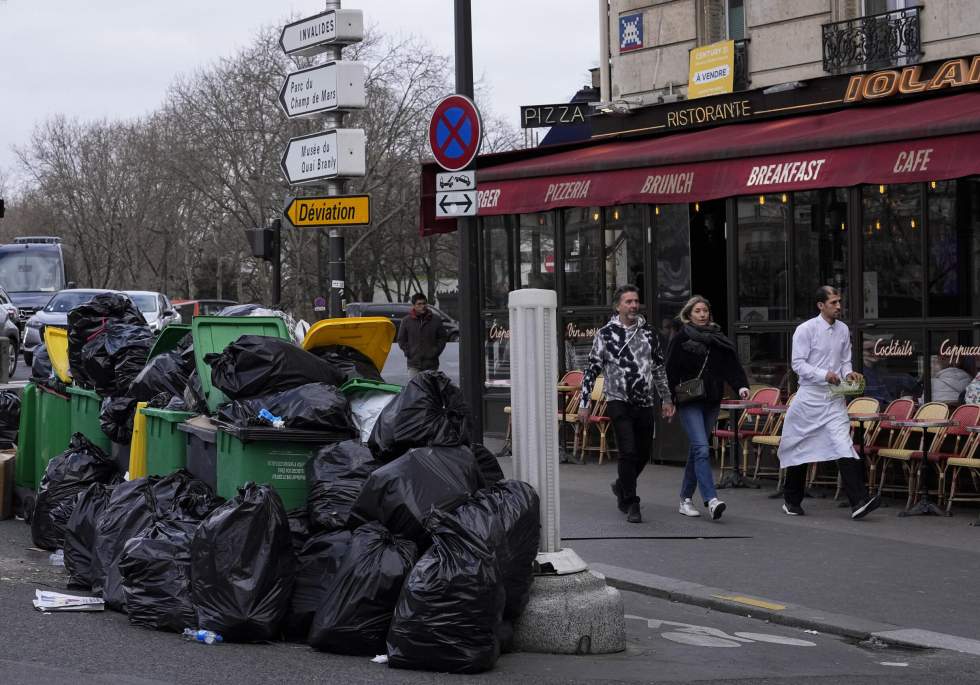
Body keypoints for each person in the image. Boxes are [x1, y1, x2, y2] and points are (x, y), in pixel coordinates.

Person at [778, 286, 880, 520]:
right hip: (809, 397)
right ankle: (791, 501)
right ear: (820, 305)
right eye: (833, 302)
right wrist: (824, 374)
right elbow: (798, 364)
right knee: (800, 448)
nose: (838, 306)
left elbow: (844, 361)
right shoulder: (805, 330)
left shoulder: (843, 329)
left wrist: (849, 373)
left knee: (843, 443)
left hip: (834, 398)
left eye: (839, 301)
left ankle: (859, 502)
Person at [579, 285, 675, 524]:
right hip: (618, 400)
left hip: (644, 401)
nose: (633, 306)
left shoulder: (649, 333)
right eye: (629, 302)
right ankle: (631, 501)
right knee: (628, 451)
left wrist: (666, 398)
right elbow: (591, 369)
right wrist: (584, 402)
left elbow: (659, 368)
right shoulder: (605, 334)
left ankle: (621, 484)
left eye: (636, 301)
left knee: (643, 452)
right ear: (618, 306)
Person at [665, 296, 750, 521]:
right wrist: (668, 400)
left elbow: (732, 365)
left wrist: (741, 386)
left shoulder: (718, 338)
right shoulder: (681, 338)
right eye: (697, 311)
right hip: (689, 400)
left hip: (711, 399)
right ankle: (711, 500)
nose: (702, 314)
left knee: (697, 450)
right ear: (689, 315)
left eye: (705, 310)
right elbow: (670, 370)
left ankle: (684, 499)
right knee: (702, 448)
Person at [396, 294, 447, 378]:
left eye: (424, 303)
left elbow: (442, 338)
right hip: (414, 364)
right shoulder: (406, 321)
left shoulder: (436, 319)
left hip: (431, 364)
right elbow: (401, 340)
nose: (422, 306)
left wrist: (435, 351)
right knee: (415, 389)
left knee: (430, 389)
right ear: (414, 305)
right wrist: (408, 352)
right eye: (419, 304)